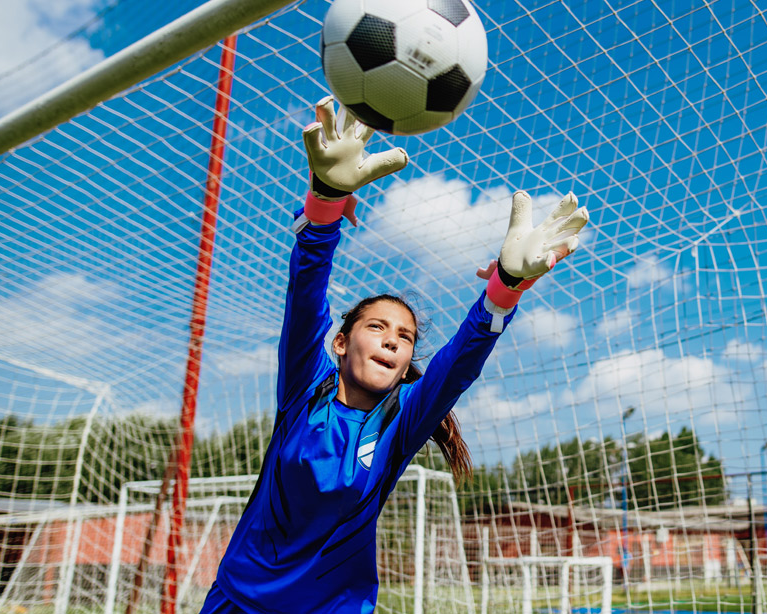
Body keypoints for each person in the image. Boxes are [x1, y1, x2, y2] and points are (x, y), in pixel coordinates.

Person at [200, 97, 589, 614]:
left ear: (406, 363)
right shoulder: (303, 391)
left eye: (404, 337)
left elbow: (461, 362)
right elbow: (306, 295)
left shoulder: (400, 422)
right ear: (341, 343)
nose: (391, 340)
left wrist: (507, 287)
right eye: (377, 327)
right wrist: (325, 204)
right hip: (237, 601)